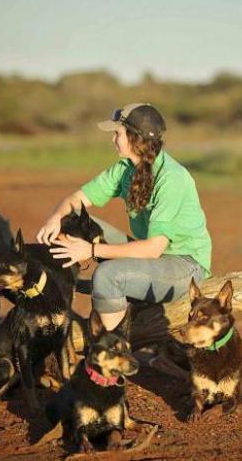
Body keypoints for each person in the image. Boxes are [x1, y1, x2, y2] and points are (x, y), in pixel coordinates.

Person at [36, 103, 212, 332]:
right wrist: (55, 218)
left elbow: (153, 249)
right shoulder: (126, 168)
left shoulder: (172, 178)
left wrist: (90, 251)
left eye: (117, 133)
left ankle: (111, 351)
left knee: (108, 275)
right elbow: (76, 200)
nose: (113, 140)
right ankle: (56, 300)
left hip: (184, 264)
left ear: (135, 137)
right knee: (73, 220)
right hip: (152, 256)